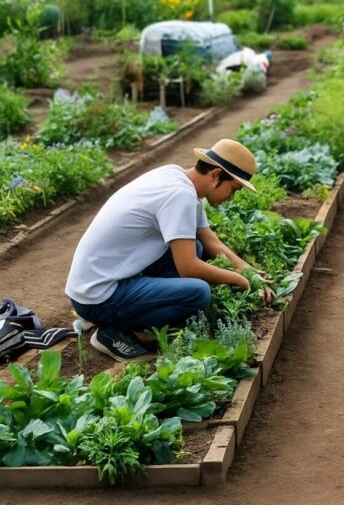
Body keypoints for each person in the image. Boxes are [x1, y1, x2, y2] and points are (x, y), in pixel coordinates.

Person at [65, 138, 273, 363]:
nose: (230, 197)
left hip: (96, 281)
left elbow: (209, 240)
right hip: (98, 295)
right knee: (198, 292)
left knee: (197, 246)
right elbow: (188, 268)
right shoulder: (179, 196)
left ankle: (126, 312)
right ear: (215, 176)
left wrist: (248, 271)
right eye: (233, 189)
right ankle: (112, 332)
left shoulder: (177, 177)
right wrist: (237, 280)